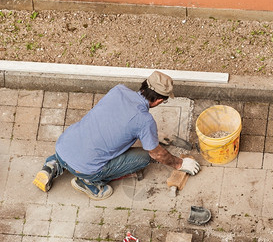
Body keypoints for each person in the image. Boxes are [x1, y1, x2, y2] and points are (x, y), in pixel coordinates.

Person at [33, 71, 200, 200]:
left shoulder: (118, 90)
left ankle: (53, 164)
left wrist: (153, 135)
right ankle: (87, 183)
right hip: (86, 169)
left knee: (82, 142)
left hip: (64, 145)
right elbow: (155, 153)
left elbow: (117, 120)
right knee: (144, 158)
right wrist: (179, 164)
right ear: (158, 101)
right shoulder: (144, 120)